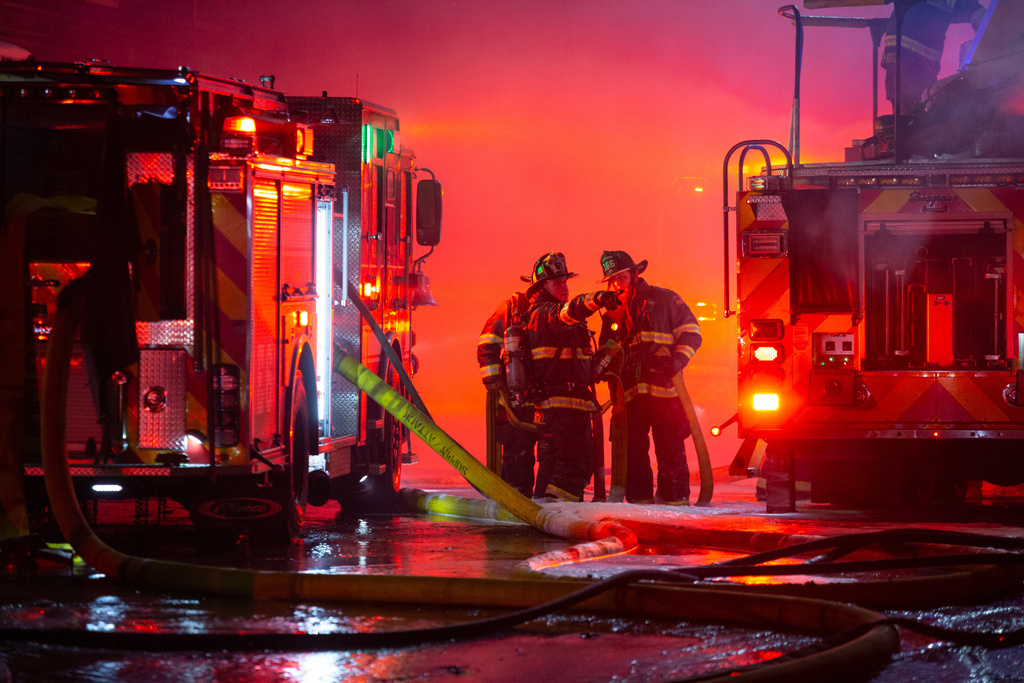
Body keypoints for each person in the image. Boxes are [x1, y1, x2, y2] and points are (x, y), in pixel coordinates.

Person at [597, 250, 701, 505]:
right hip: (630, 398)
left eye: (620, 277)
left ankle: (675, 504)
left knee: (671, 449)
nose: (615, 285)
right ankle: (639, 505)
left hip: (665, 393)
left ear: (634, 274)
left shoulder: (665, 299)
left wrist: (677, 361)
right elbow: (605, 352)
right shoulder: (611, 314)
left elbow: (691, 333)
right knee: (633, 453)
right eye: (611, 280)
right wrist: (600, 368)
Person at [522, 252, 621, 502]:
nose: (564, 287)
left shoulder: (542, 315)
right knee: (577, 464)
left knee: (553, 463)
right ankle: (556, 512)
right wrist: (597, 299)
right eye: (558, 283)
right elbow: (571, 310)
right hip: (564, 409)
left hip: (556, 410)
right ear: (542, 288)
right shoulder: (546, 313)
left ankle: (540, 512)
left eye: (566, 282)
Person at [477, 289, 537, 497]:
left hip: (550, 401)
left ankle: (547, 507)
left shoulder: (561, 312)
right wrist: (494, 381)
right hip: (516, 400)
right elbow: (487, 343)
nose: (563, 287)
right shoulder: (512, 308)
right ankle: (514, 503)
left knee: (555, 458)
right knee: (517, 455)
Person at [881, 0, 984, 116]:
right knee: (918, 124)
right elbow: (978, 15)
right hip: (911, 68)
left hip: (903, 65)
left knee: (910, 123)